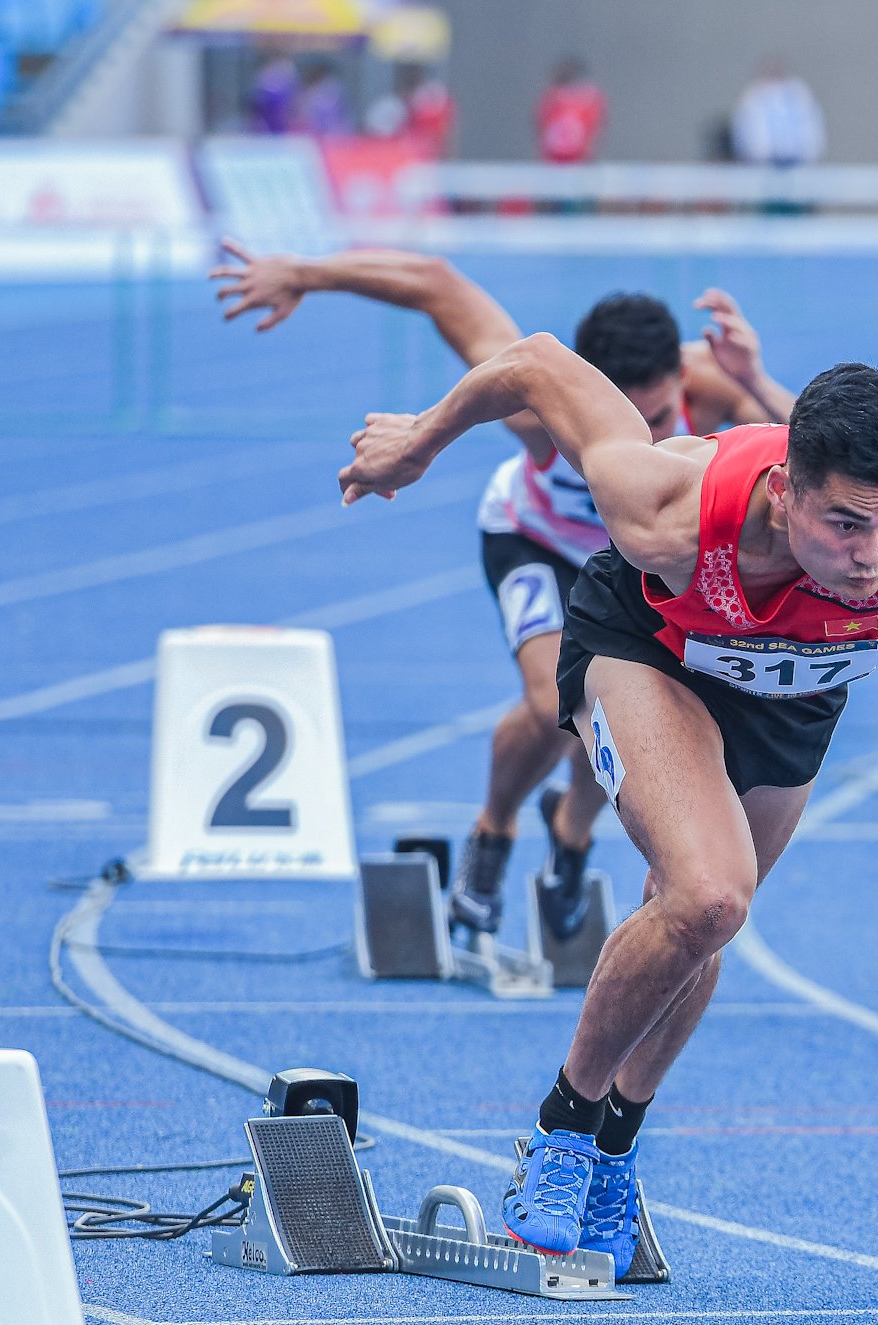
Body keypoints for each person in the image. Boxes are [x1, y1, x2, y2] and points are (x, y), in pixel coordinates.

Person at [339, 340, 878, 1267]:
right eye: (844, 524)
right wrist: (423, 441)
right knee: (710, 890)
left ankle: (613, 1149)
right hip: (651, 650)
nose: (874, 556)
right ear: (783, 491)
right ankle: (560, 1133)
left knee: (699, 922)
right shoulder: (667, 505)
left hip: (796, 691)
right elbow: (538, 365)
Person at [209, 240, 798, 942]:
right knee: (556, 699)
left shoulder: (715, 388)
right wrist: (301, 271)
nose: (645, 446)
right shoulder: (542, 404)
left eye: (661, 421)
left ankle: (571, 829)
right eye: (624, 426)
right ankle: (493, 829)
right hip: (537, 541)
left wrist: (759, 382)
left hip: (646, 566)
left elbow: (826, 463)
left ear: (681, 380)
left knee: (615, 720)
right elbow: (436, 283)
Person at [730, 59, 826, 168]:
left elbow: (811, 128)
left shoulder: (799, 95)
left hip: (798, 162)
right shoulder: (752, 98)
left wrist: (810, 154)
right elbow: (745, 132)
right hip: (761, 163)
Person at [537, 57, 605, 165]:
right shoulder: (550, 100)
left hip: (577, 162)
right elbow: (541, 127)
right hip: (554, 162)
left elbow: (593, 130)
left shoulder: (590, 101)